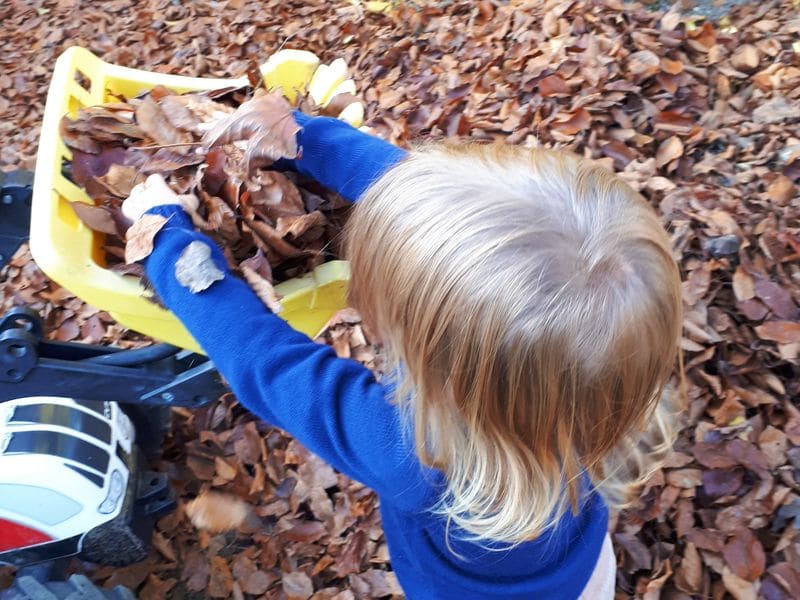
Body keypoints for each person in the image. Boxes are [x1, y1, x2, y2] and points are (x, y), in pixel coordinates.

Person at [123, 99, 682, 599]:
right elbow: (434, 207)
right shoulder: (610, 371)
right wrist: (303, 137)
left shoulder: (417, 454)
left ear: (453, 377)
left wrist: (166, 241)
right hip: (580, 574)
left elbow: (269, 364)